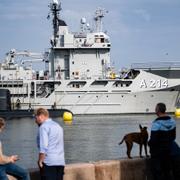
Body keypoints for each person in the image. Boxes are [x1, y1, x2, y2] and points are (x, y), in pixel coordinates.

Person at [34, 108, 65, 180]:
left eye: (35, 118)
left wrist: (40, 161)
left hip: (49, 162)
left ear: (40, 116)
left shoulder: (43, 127)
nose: (35, 121)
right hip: (60, 162)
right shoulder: (58, 126)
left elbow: (43, 147)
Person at [148, 103, 176, 180]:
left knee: (158, 173)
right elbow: (173, 137)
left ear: (158, 111)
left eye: (155, 109)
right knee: (167, 172)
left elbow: (153, 140)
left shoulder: (156, 123)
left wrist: (149, 144)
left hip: (157, 153)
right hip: (168, 151)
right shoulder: (172, 121)